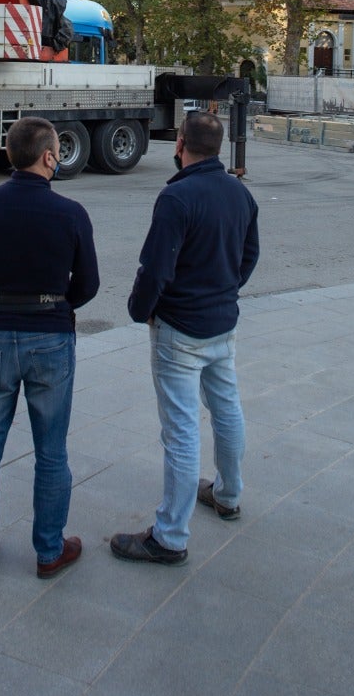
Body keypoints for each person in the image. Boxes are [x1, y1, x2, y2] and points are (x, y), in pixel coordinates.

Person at [110, 109, 260, 566]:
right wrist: (226, 291)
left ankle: (170, 536)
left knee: (180, 430)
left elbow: (156, 267)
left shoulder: (177, 198)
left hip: (180, 329)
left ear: (180, 145)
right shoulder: (240, 193)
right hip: (221, 322)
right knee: (227, 408)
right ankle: (228, 495)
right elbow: (249, 255)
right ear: (217, 147)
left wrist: (142, 311)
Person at [0, 115, 98, 580]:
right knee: (51, 450)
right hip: (51, 338)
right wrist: (57, 307)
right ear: (49, 156)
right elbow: (89, 284)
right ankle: (49, 551)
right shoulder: (71, 213)